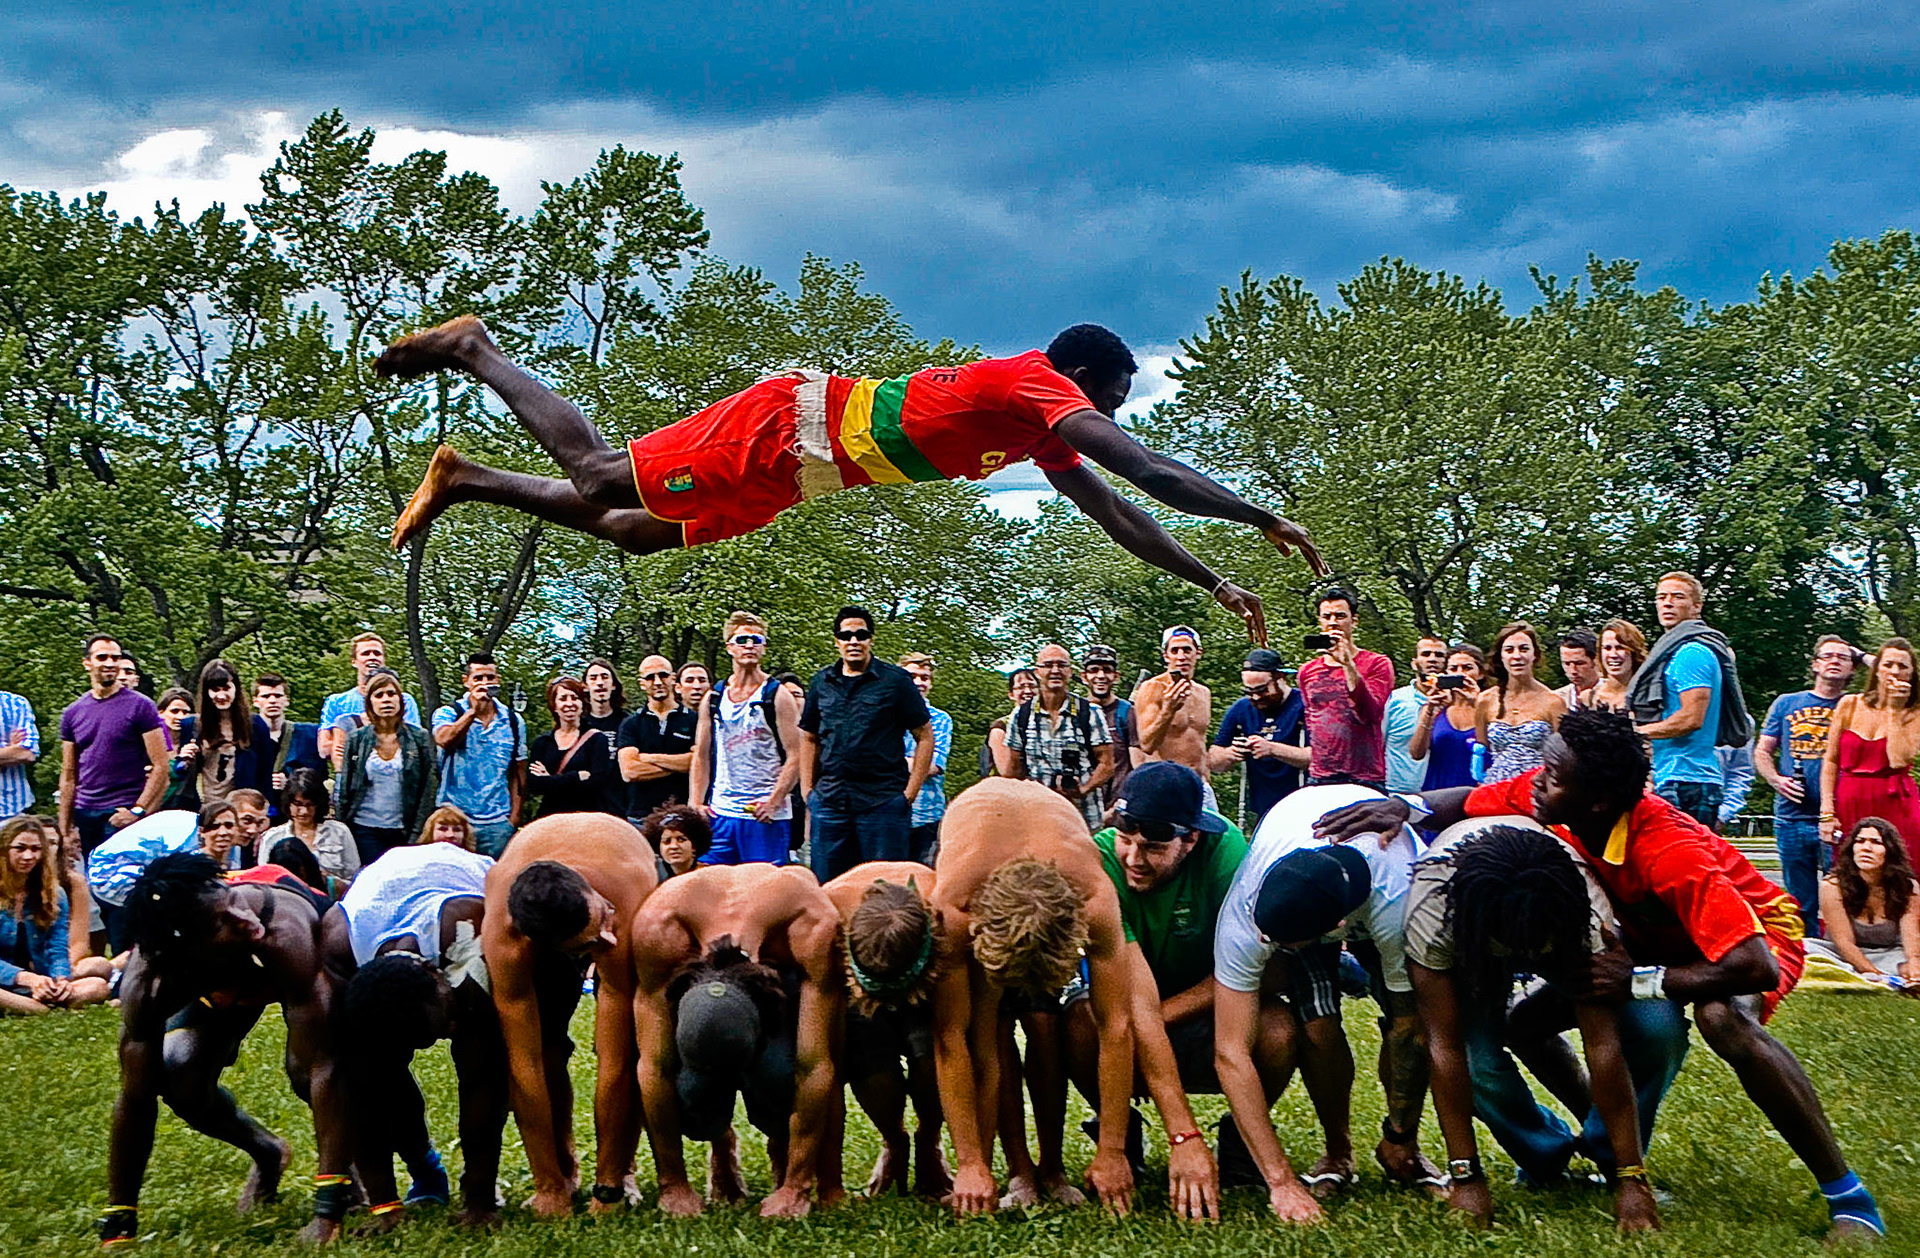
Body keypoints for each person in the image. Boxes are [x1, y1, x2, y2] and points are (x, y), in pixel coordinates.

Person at [378, 317, 1324, 644]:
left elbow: (1119, 510)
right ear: (1078, 380)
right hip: (790, 424)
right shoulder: (1034, 380)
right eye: (1109, 399)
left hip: (804, 478)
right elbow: (1146, 471)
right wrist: (1260, 516)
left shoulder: (1038, 432)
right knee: (595, 477)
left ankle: (464, 479)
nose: (1111, 418)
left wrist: (1213, 579)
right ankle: (474, 350)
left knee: (637, 532)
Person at [1317, 707, 1887, 1240]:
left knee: (1721, 1020)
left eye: (1554, 774)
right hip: (1642, 944)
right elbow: (1468, 798)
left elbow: (1752, 965)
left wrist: (1641, 982)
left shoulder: (1667, 847)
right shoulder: (1556, 793)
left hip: (1751, 934)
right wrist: (1404, 805)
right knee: (1523, 1026)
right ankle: (1592, 1146)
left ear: (1598, 801)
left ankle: (1848, 1196)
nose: (1538, 780)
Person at [1399, 815, 1666, 1232]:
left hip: (1557, 924)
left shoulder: (1582, 907)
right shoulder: (1433, 912)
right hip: (1471, 936)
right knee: (1476, 1062)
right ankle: (1546, 1156)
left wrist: (1631, 1178)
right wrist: (1465, 1177)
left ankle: (1611, 1156)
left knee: (1654, 1026)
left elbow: (1603, 1045)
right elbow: (1445, 1046)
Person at [101, 852, 352, 1244]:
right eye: (222, 921)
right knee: (177, 1071)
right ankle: (267, 1152)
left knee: (304, 1070)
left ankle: (352, 1175)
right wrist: (119, 1218)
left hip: (297, 963)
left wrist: (328, 1210)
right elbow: (135, 1097)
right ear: (181, 947)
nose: (243, 919)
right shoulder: (149, 982)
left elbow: (324, 1065)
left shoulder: (278, 927)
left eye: (230, 900)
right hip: (219, 979)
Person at [1213, 783, 1438, 1220]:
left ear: (1338, 927)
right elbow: (1230, 1051)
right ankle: (1339, 1153)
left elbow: (1410, 1027)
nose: (1263, 942)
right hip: (1299, 835)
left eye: (1277, 941)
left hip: (1375, 886)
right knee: (1318, 1027)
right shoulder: (1248, 903)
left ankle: (1402, 1147)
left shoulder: (1399, 898)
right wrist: (1281, 1182)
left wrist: (1399, 1131)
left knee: (1405, 1023)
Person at [928, 779, 1137, 1216]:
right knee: (991, 1028)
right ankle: (1013, 1169)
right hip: (979, 834)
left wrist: (1112, 1150)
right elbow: (952, 1039)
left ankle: (1051, 1168)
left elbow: (1116, 1028)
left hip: (1048, 832)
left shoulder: (1095, 901)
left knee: (1044, 1022)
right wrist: (970, 1164)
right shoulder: (954, 905)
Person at [1071, 762, 1257, 1218]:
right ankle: (1119, 1136)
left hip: (1204, 1006)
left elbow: (1251, 974)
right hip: (1125, 1004)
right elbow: (1128, 1001)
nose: (1134, 859)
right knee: (1077, 1022)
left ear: (1190, 840)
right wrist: (1183, 1135)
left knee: (1276, 1029)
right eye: (1126, 840)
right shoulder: (1099, 862)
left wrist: (1159, 1016)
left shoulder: (1226, 854)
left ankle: (1241, 1142)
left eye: (1153, 847)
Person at [629, 862, 845, 1217]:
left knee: (780, 1078)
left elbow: (817, 1065)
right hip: (699, 980)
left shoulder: (811, 922)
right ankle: (720, 1140)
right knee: (692, 1095)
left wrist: (797, 1185)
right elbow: (653, 1067)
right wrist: (674, 1184)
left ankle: (781, 1144)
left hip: (778, 978)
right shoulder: (661, 927)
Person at [319, 838, 503, 1228]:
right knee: (368, 1071)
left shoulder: (470, 930)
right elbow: (358, 1090)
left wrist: (479, 1202)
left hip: (455, 881)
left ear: (436, 974)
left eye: (445, 1021)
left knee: (480, 1057)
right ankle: (421, 1172)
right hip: (382, 895)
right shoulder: (337, 947)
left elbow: (482, 1083)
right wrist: (383, 1206)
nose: (447, 1033)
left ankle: (478, 1192)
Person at [482, 813, 658, 1215]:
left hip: (618, 849)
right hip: (536, 881)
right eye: (589, 944)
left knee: (619, 1045)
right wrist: (548, 1189)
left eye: (600, 920)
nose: (607, 938)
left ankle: (619, 1172)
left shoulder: (626, 894)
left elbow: (618, 1063)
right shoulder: (504, 929)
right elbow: (522, 1063)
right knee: (542, 1050)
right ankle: (558, 1172)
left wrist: (608, 1189)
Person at [821, 862, 952, 1199]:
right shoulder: (826, 914)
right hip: (859, 975)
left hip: (923, 962)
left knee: (931, 1056)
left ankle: (929, 1140)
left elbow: (957, 1044)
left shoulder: (945, 912)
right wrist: (829, 1184)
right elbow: (825, 1058)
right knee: (868, 1060)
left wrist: (972, 1164)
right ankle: (894, 1140)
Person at [801, 607, 934, 881]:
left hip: (882, 805)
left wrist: (908, 795)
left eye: (861, 634)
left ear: (870, 639)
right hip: (830, 803)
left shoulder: (896, 682)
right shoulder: (821, 682)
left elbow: (925, 736)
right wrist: (807, 792)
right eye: (846, 635)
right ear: (836, 640)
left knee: (885, 893)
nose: (854, 641)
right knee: (828, 891)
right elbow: (809, 736)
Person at [59, 633, 170, 936]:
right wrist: (65, 829)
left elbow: (161, 767)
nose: (110, 664)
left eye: (115, 657)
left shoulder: (140, 707)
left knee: (122, 895)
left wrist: (138, 810)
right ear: (87, 663)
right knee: (93, 895)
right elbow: (69, 774)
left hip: (121, 812)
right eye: (102, 657)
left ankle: (126, 966)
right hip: (85, 813)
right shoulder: (73, 713)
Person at [1630, 573, 1754, 829]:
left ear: (1697, 606)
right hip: (1675, 776)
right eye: (1661, 597)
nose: (1667, 603)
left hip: (1687, 781)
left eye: (1678, 597)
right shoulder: (1675, 650)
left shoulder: (1692, 652)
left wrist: (1636, 733)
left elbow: (1691, 717)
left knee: (1680, 866)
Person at [1758, 636, 1860, 936]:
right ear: (1815, 664)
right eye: (1827, 655)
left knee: (1843, 896)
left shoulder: (1856, 706)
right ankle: (1806, 957)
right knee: (1800, 901)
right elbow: (1762, 751)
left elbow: (1892, 679)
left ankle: (1843, 955)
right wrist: (1776, 780)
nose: (1834, 661)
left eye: (1843, 657)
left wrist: (1862, 654)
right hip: (1792, 816)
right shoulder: (1787, 703)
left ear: (1852, 668)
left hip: (1838, 816)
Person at [687, 613, 802, 866]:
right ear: (729, 647)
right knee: (710, 881)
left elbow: (797, 754)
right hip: (722, 812)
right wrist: (696, 802)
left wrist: (774, 801)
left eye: (756, 639)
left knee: (763, 890)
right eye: (742, 640)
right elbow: (702, 753)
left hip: (764, 815)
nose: (749, 645)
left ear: (763, 647)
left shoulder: (778, 696)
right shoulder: (714, 697)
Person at [0, 816, 112, 1015]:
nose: (28, 856)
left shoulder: (54, 893)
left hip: (38, 979)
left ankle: (39, 1004)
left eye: (35, 849)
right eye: (20, 848)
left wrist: (61, 981)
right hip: (12, 979)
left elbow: (57, 947)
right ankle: (38, 1008)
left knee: (97, 985)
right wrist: (25, 978)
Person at [1820, 638, 1920, 856]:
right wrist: (1827, 812)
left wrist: (1895, 709)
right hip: (1850, 799)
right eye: (1888, 664)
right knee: (1851, 871)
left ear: (1911, 674)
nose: (1894, 671)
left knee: (1901, 871)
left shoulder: (1915, 713)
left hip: (1895, 801)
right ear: (1876, 670)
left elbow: (1898, 760)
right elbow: (1831, 760)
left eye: (1902, 666)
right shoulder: (1850, 704)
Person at [1007, 643, 1115, 831]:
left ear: (1070, 672)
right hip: (1038, 813)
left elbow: (1107, 764)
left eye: (1061, 665)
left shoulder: (1088, 712)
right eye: (1048, 665)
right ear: (1038, 672)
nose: (1055, 671)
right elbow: (1014, 768)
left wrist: (1082, 789)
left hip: (1084, 816)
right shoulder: (1021, 715)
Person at [1295, 589, 1394, 791]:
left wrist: (1348, 665)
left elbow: (1371, 713)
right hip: (1321, 775)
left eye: (1340, 616)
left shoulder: (1377, 664)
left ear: (1354, 621)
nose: (1333, 622)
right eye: (1327, 616)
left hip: (1365, 775)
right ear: (1320, 621)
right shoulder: (1307, 671)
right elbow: (1311, 720)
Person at [432, 652, 528, 859]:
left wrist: (513, 818)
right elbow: (444, 739)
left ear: (498, 681)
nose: (485, 684)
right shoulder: (449, 712)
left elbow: (518, 771)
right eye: (478, 678)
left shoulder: (513, 721)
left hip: (497, 823)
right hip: (455, 820)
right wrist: (472, 713)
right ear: (466, 682)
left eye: (490, 678)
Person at [338, 670, 439, 866]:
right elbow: (345, 788)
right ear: (370, 703)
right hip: (363, 827)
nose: (386, 700)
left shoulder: (419, 738)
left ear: (401, 700)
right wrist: (342, 830)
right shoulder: (357, 739)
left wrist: (418, 832)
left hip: (404, 828)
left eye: (391, 694)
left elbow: (428, 788)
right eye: (379, 695)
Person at [1207, 647, 1309, 824]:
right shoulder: (1241, 709)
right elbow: (1213, 760)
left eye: (1262, 690)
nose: (1255, 697)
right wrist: (1231, 754)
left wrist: (1271, 749)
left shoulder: (1305, 705)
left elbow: (1317, 757)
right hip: (1262, 808)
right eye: (1248, 691)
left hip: (1302, 803)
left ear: (1280, 678)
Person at [1810, 818, 1920, 982]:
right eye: (1860, 841)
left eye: (1876, 842)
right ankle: (1861, 973)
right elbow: (1843, 942)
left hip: (1892, 954)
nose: (1866, 848)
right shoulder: (1832, 886)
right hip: (1844, 955)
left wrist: (1914, 967)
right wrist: (1878, 977)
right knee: (1804, 949)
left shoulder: (1907, 886)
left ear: (1889, 851)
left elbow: (1911, 938)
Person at [170, 659, 270, 810]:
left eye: (226, 688)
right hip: (203, 808)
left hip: (242, 810)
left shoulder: (255, 725)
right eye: (215, 690)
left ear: (236, 688)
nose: (221, 695)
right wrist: (183, 760)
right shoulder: (191, 726)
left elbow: (265, 774)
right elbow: (180, 775)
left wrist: (268, 811)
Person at [1476, 622, 1567, 784]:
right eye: (1509, 650)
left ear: (1535, 655)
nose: (1517, 656)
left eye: (1524, 649)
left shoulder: (1554, 703)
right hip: (1495, 788)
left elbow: (1563, 756)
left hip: (1536, 789)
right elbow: (1482, 751)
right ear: (1501, 656)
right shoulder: (1485, 700)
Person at [318, 632, 424, 764]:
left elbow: (413, 744)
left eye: (377, 653)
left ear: (384, 659)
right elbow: (325, 749)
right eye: (366, 653)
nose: (372, 657)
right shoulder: (337, 702)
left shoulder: (404, 700)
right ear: (354, 661)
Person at [617, 654, 698, 828]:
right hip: (641, 817)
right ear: (642, 683)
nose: (658, 682)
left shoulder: (694, 721)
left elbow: (698, 762)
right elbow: (630, 771)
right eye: (650, 677)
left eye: (663, 675)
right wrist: (680, 764)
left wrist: (647, 758)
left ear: (673, 679)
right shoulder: (631, 724)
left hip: (684, 815)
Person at [1132, 626, 1213, 797]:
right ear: (1166, 656)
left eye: (1186, 650)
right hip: (1165, 784)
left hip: (1199, 784)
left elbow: (1199, 744)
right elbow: (1146, 744)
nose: (1181, 657)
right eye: (1175, 651)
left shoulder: (1203, 692)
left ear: (1197, 653)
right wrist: (1168, 710)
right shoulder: (1152, 688)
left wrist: (1207, 779)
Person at [527, 676, 621, 818]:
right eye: (563, 699)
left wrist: (550, 780)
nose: (569, 703)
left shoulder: (596, 740)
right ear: (554, 705)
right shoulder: (543, 743)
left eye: (574, 698)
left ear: (582, 703)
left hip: (586, 818)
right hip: (550, 819)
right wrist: (577, 776)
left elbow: (597, 783)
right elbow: (534, 785)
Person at [262, 769, 361, 885]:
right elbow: (265, 879)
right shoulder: (273, 837)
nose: (304, 811)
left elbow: (354, 878)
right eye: (298, 804)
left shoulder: (339, 832)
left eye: (310, 805)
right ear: (288, 803)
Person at [1409, 643, 1484, 791]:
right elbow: (1416, 754)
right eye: (1453, 669)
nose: (1460, 673)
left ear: (1480, 673)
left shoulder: (1491, 707)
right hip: (1439, 790)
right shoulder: (1436, 709)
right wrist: (1430, 711)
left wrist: (1478, 703)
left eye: (1467, 668)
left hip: (1478, 790)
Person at [900, 653, 952, 864]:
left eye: (925, 677)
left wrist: (886, 762)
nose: (919, 683)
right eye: (912, 676)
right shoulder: (884, 715)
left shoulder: (940, 719)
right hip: (886, 813)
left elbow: (933, 766)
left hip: (927, 815)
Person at [1384, 637, 1448, 792]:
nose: (1432, 659)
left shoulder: (1456, 703)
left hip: (1443, 792)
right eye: (1426, 654)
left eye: (1439, 655)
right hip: (1398, 790)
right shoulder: (1395, 700)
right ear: (1415, 662)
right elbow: (1377, 744)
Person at [1080, 645, 1137, 808]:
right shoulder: (1075, 713)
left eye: (1106, 670)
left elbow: (1138, 764)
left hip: (1118, 810)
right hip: (1081, 807)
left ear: (1116, 676)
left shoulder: (1127, 713)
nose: (1100, 675)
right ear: (1084, 677)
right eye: (1094, 670)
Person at [984, 668, 1038, 778]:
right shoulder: (1001, 727)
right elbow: (1007, 772)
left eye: (1032, 686)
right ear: (1011, 694)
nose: (1028, 691)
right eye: (1021, 687)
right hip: (1008, 790)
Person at [1586, 618, 1648, 714]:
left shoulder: (1647, 695)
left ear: (1634, 653)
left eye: (1620, 648)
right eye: (1607, 648)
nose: (1613, 655)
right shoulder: (1589, 698)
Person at [640, 803, 710, 880]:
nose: (674, 846)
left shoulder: (709, 876)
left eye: (681, 840)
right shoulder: (651, 878)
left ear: (694, 845)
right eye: (667, 841)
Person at [0, 684, 39, 819]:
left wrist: (16, 752)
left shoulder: (15, 703)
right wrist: (9, 750)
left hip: (11, 810)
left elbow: (26, 753)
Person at [1553, 628, 1601, 710]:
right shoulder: (1556, 700)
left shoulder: (1615, 695)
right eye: (1567, 664)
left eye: (1579, 664)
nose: (1573, 671)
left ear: (1596, 661)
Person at [582, 658, 628, 735]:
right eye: (593, 678)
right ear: (585, 686)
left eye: (605, 677)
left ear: (614, 684)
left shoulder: (628, 722)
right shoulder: (579, 724)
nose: (600, 683)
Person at [155, 688, 194, 752]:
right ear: (161, 712)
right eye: (174, 711)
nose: (180, 717)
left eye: (185, 712)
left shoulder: (197, 742)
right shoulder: (151, 740)